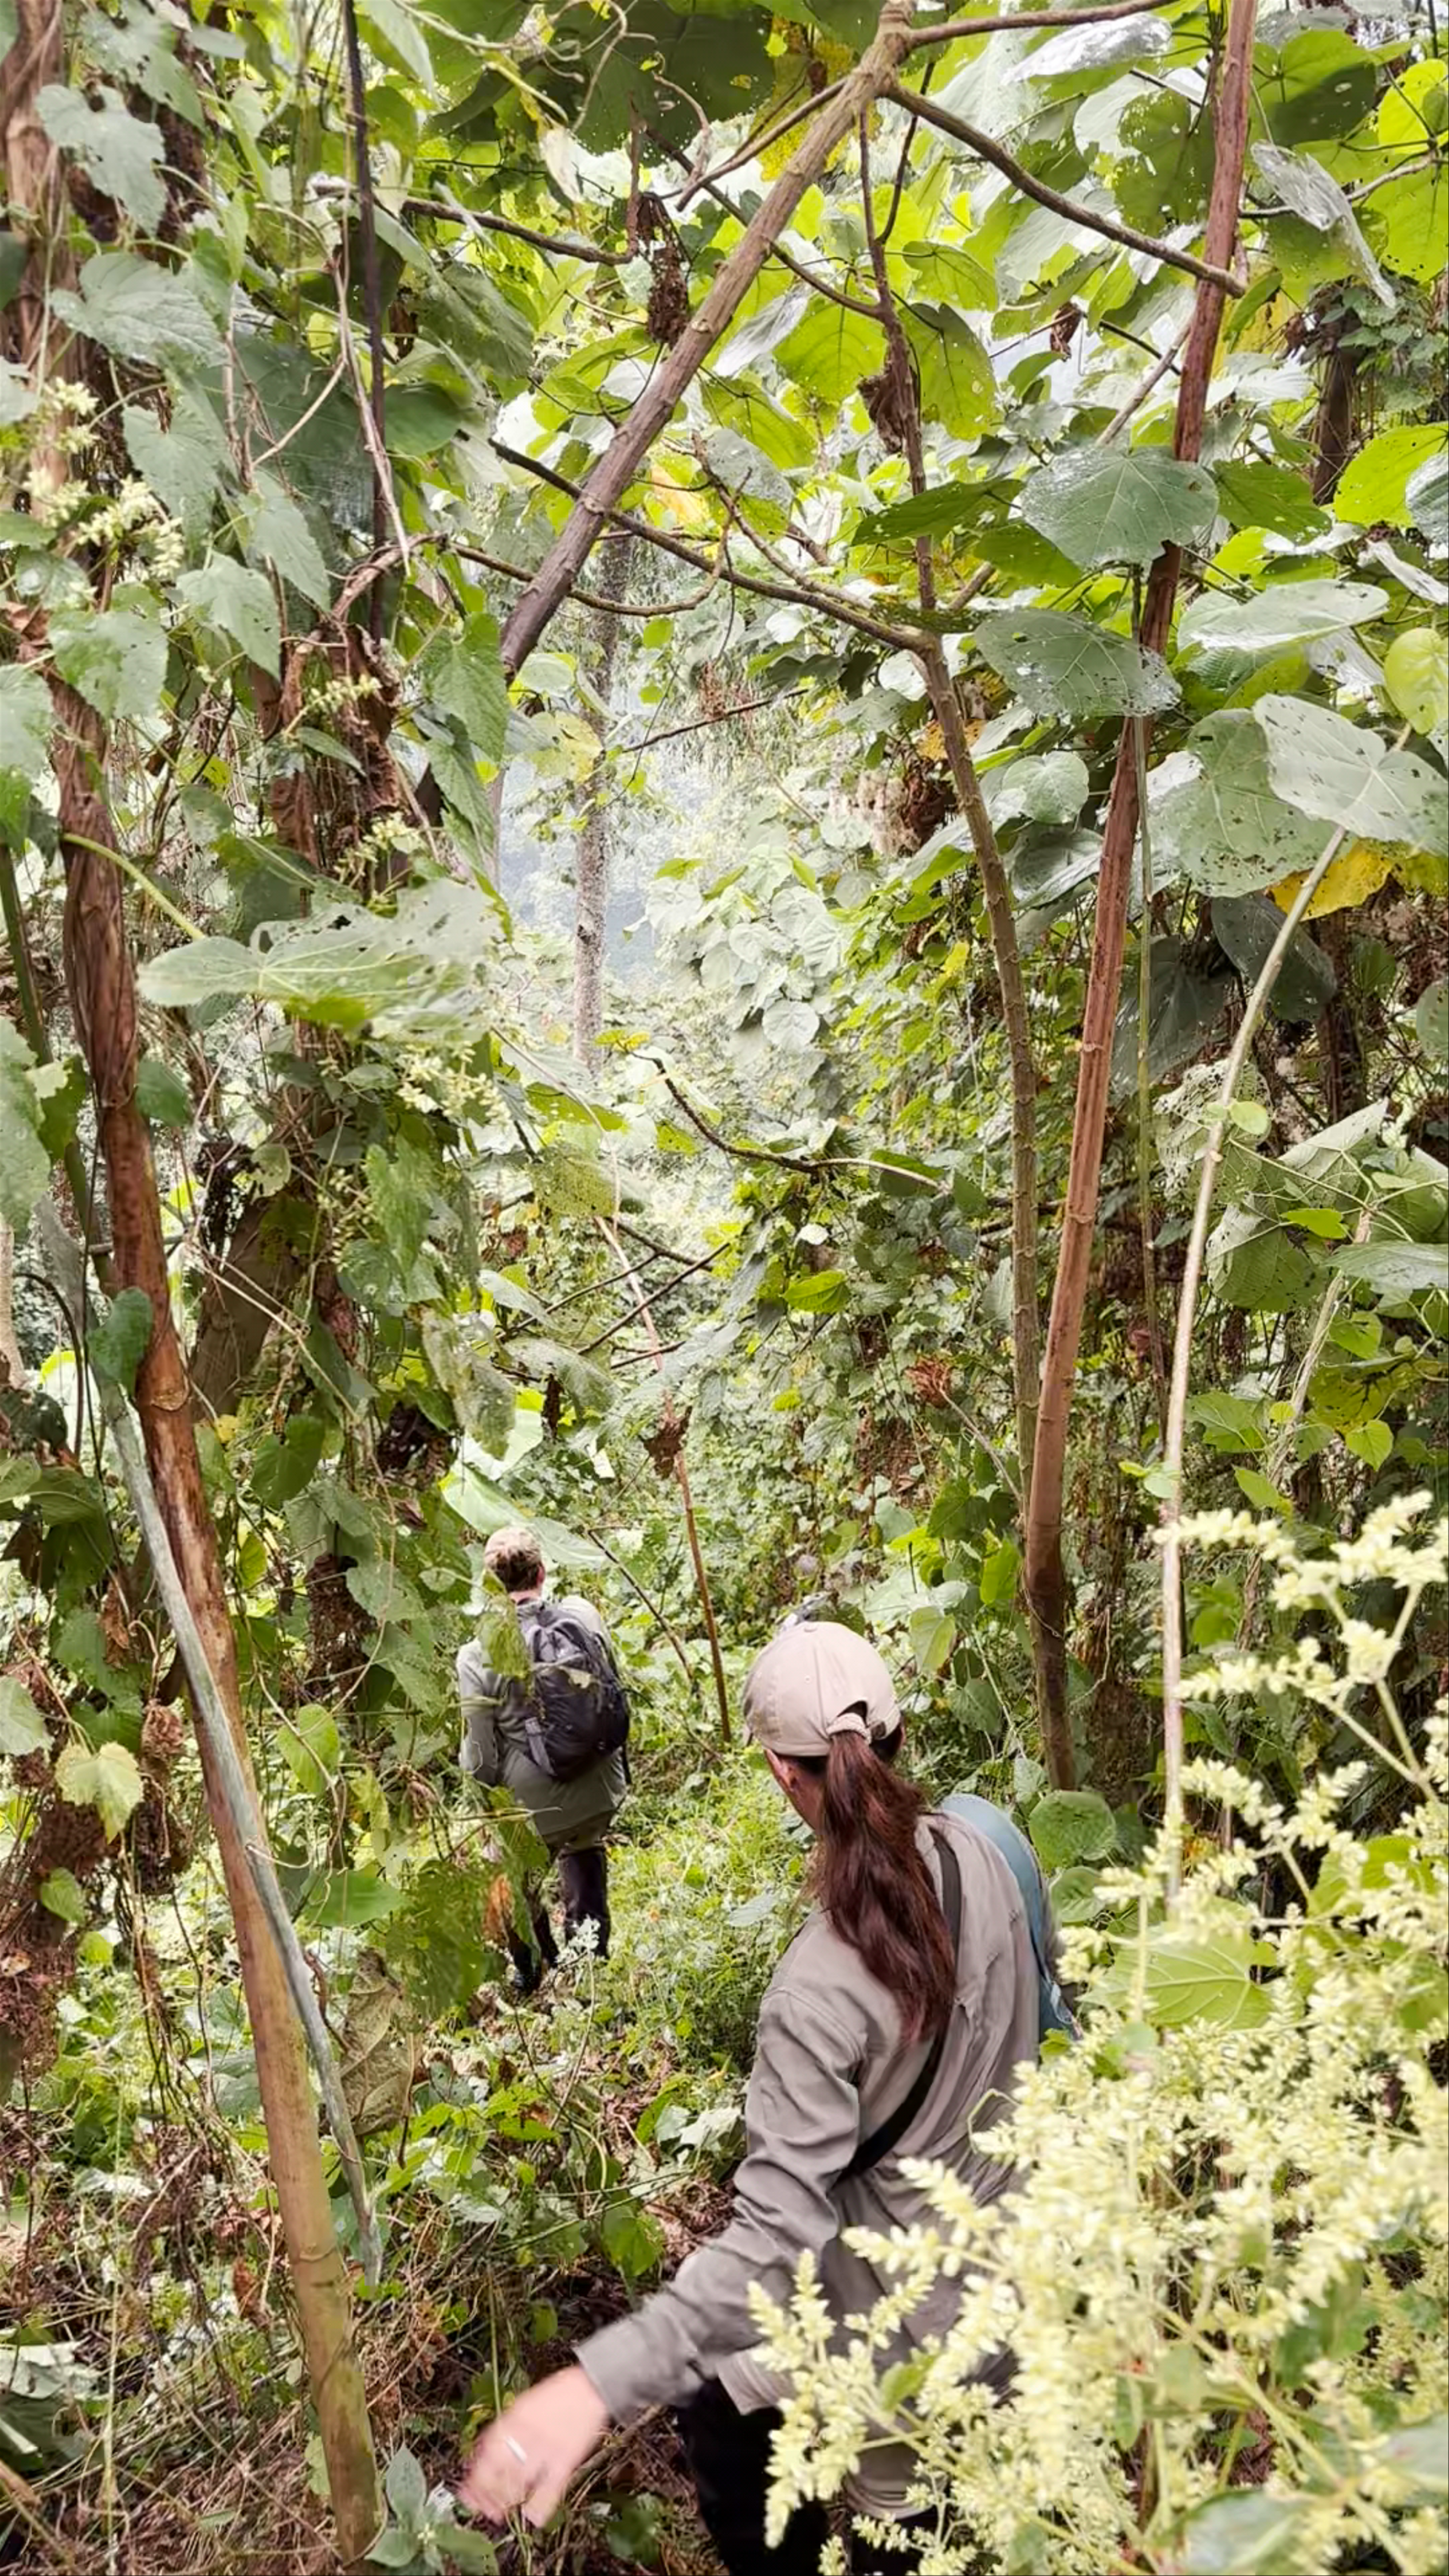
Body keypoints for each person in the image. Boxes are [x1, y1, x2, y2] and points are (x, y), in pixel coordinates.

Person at [457, 1619, 1040, 2572]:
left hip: (907, 2335)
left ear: (780, 1772)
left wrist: (591, 2386)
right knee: (725, 2397)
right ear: (895, 1732)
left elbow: (774, 2237)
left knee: (796, 2455)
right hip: (1014, 2271)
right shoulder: (985, 1846)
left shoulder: (813, 1989)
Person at [457, 1526, 626, 1992]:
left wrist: (490, 1800)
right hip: (603, 1786)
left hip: (539, 1808)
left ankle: (535, 1967)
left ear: (492, 1587)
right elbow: (612, 1688)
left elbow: (480, 1759)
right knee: (583, 1842)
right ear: (543, 1571)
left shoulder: (476, 1655)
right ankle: (589, 1960)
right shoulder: (582, 1615)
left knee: (505, 1870)